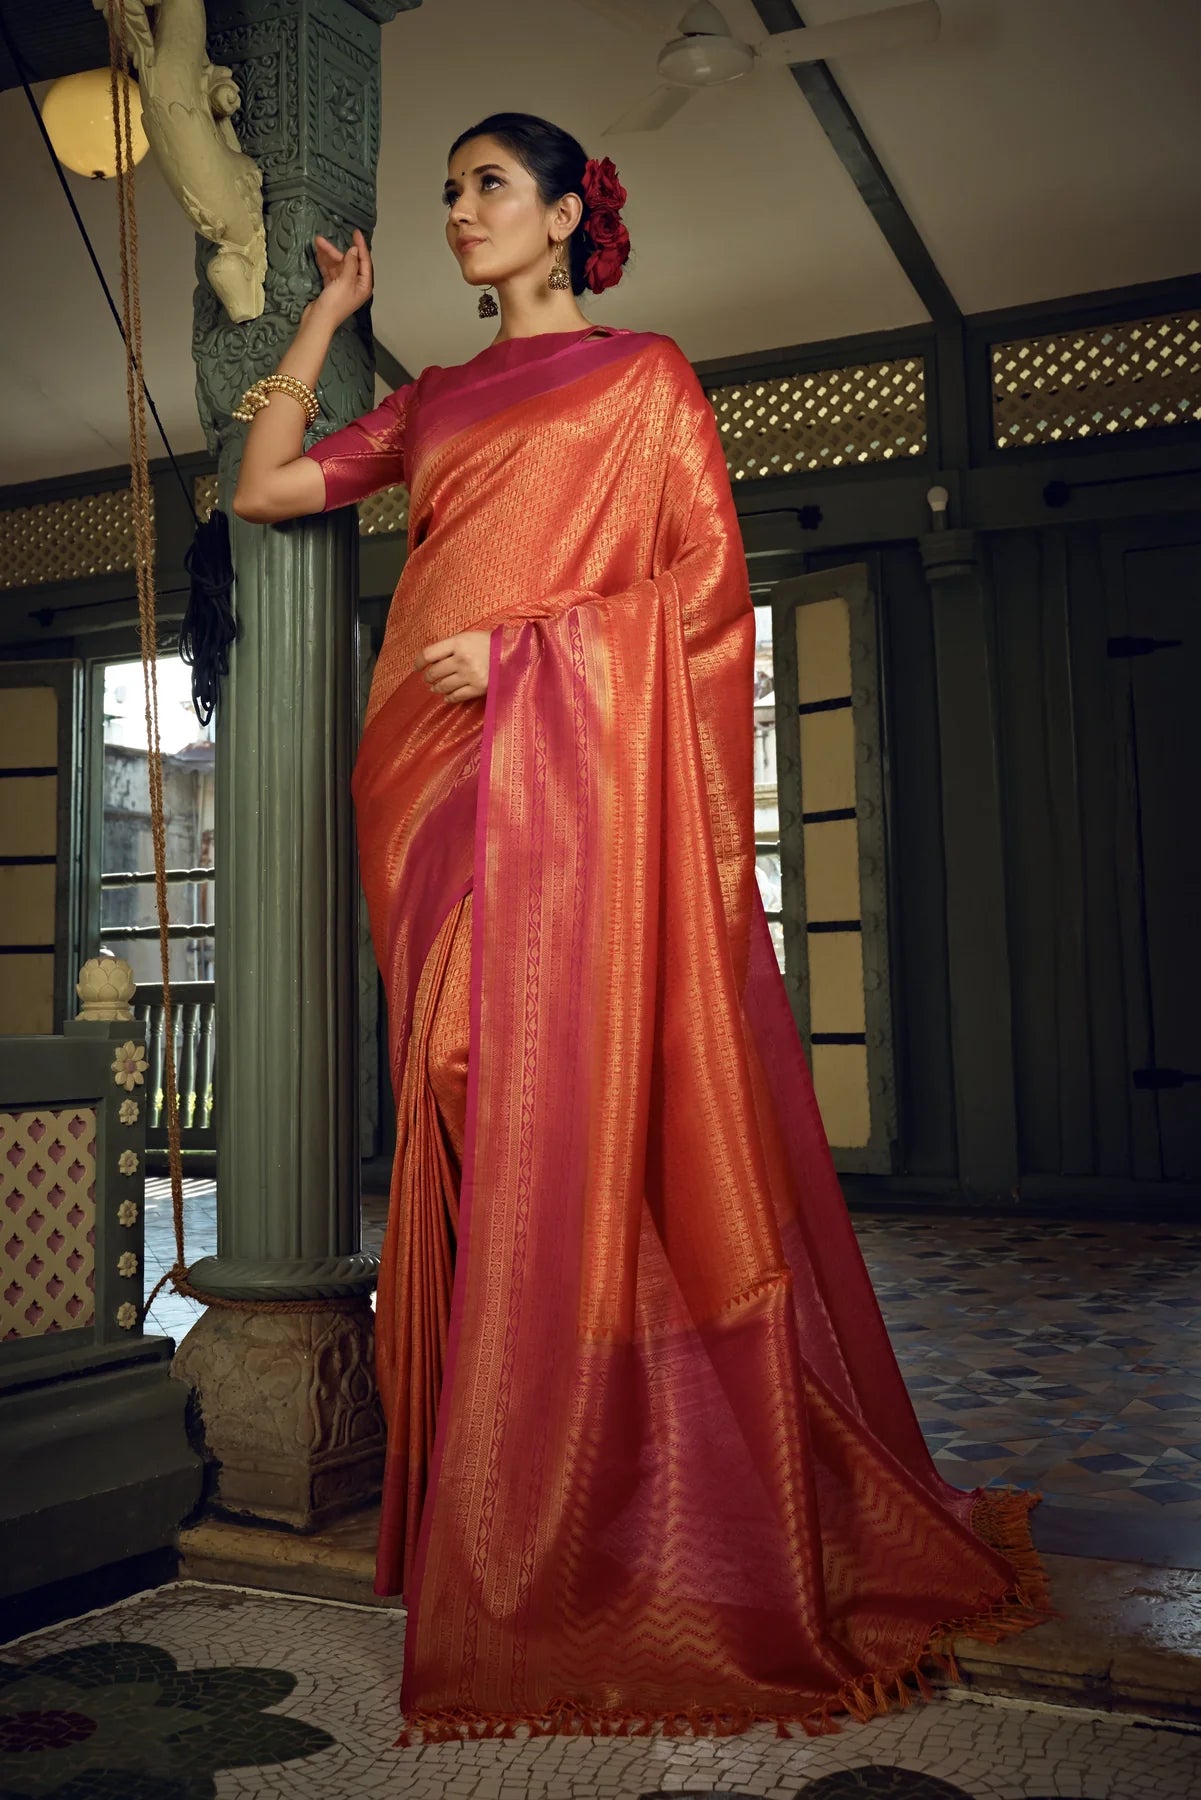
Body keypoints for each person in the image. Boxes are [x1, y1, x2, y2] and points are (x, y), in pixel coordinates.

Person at [232, 111, 1049, 1748]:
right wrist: (325, 319)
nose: (460, 210)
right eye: (450, 190)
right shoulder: (439, 399)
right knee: (461, 1090)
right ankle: (519, 1479)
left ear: (562, 217)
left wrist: (537, 653)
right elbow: (263, 490)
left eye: (487, 186)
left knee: (567, 1103)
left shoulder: (643, 379)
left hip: (561, 766)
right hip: (430, 778)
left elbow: (698, 600)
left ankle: (623, 1494)